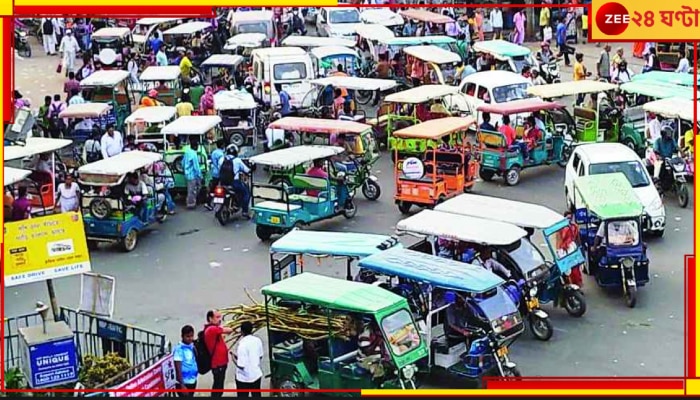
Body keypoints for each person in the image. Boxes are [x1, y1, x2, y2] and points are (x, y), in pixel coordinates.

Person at [203, 310, 234, 398]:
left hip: (221, 363)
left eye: (220, 317)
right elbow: (229, 330)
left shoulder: (214, 329)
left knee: (219, 386)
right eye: (217, 317)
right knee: (218, 387)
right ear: (210, 318)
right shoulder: (212, 329)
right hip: (218, 364)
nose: (219, 319)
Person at [233, 321, 264, 397]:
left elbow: (241, 365)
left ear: (242, 332)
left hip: (244, 378)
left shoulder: (242, 345)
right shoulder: (257, 340)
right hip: (256, 374)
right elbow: (260, 356)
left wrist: (233, 358)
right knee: (256, 395)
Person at [220, 144, 251, 218]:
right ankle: (245, 211)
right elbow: (246, 170)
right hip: (234, 183)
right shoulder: (237, 160)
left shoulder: (221, 159)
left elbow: (219, 169)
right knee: (246, 193)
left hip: (222, 182)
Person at [173, 325, 197, 396]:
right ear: (182, 336)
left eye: (191, 336)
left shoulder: (192, 346)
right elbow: (178, 369)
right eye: (188, 336)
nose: (190, 338)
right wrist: (182, 385)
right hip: (184, 383)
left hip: (192, 380)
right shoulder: (179, 350)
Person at [182, 138, 203, 209]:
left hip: (187, 174)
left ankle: (192, 201)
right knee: (192, 190)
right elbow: (196, 166)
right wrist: (200, 175)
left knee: (192, 189)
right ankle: (191, 203)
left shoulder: (187, 152)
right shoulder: (194, 154)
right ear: (195, 146)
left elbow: (182, 163)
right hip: (192, 174)